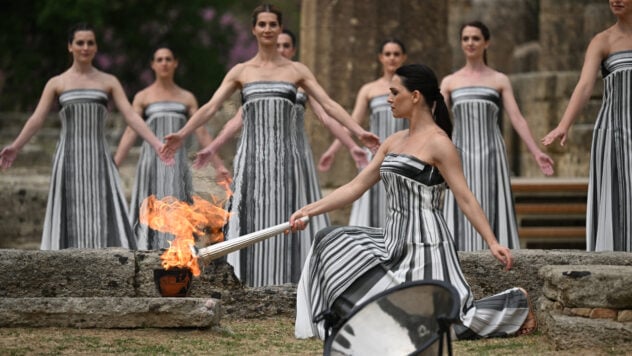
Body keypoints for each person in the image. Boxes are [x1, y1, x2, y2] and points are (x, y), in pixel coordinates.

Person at [289, 63, 536, 340]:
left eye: (395, 92)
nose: (389, 99)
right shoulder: (393, 141)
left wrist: (492, 241)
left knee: (438, 328)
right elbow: (356, 186)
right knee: (329, 239)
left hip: (425, 248)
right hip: (391, 242)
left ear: (415, 96)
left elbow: (465, 198)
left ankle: (515, 302)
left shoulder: (440, 143)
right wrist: (308, 210)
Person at [161, 4, 380, 287]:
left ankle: (292, 284)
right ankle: (246, 283)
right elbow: (211, 107)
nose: (267, 29)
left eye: (272, 24)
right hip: (251, 159)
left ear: (279, 28)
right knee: (249, 218)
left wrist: (359, 131)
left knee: (289, 219)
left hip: (287, 160)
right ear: (254, 29)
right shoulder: (241, 71)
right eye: (262, 24)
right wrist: (182, 133)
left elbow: (328, 104)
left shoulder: (296, 70)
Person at [0, 23, 172, 250]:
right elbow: (37, 119)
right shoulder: (57, 83)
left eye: (90, 42)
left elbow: (131, 116)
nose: (85, 47)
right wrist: (15, 147)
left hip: (99, 157)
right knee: (70, 211)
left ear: (96, 47)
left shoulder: (108, 81)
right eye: (80, 42)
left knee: (102, 209)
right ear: (70, 47)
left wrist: (157, 143)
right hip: (68, 158)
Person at [440, 21, 554, 251]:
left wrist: (536, 152)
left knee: (493, 202)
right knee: (462, 202)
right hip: (459, 154)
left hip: (492, 152)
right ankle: (458, 257)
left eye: (475, 38)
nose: (470, 43)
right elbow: (438, 123)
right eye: (466, 38)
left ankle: (500, 256)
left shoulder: (499, 79)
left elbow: (517, 118)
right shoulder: (450, 82)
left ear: (486, 42)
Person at [113, 46, 230, 250]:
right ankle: (143, 250)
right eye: (159, 59)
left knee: (178, 206)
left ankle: (177, 252)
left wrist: (219, 165)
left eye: (168, 59)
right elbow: (132, 130)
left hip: (176, 165)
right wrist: (114, 164)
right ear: (153, 64)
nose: (164, 63)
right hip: (151, 162)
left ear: (175, 63)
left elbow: (200, 131)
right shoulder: (143, 97)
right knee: (150, 205)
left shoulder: (186, 98)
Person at [542, 0, 632, 251]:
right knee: (616, 201)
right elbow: (584, 86)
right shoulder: (602, 41)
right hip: (612, 132)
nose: (616, 0)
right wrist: (563, 125)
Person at [318, 38, 408, 227]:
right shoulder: (369, 89)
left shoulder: (410, 89)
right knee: (370, 203)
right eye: (388, 54)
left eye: (396, 54)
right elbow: (353, 123)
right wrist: (332, 151)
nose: (392, 58)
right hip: (375, 155)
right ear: (380, 58)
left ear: (403, 58)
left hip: (404, 154)